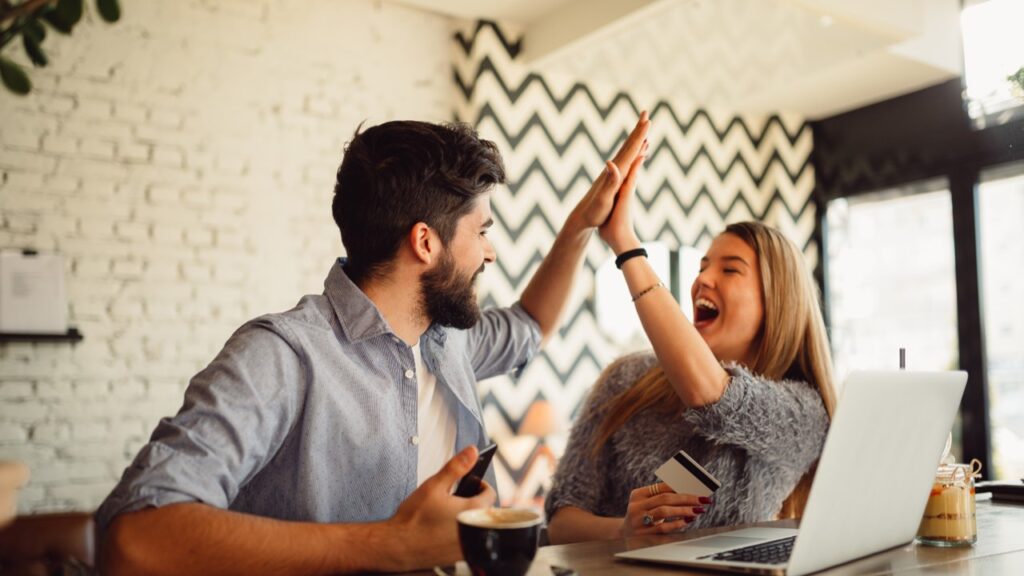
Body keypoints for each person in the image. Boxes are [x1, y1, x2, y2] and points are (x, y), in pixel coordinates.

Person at [96, 114, 651, 574]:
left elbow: (530, 324)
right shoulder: (282, 356)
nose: (490, 253)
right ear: (425, 242)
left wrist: (583, 224)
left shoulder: (447, 340)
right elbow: (135, 539)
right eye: (481, 231)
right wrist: (391, 543)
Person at [544, 163, 837, 543]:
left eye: (730, 270)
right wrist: (624, 530)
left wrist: (626, 245)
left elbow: (715, 398)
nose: (703, 279)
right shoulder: (626, 379)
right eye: (703, 266)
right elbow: (560, 522)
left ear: (777, 302)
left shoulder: (803, 412)